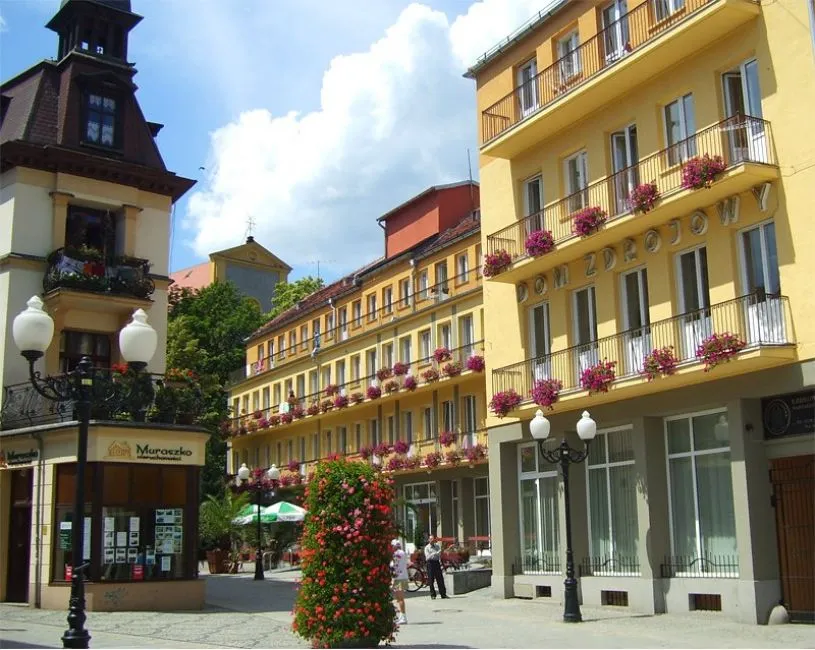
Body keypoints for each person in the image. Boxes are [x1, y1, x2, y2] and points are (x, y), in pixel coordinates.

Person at [423, 535, 448, 599]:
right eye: (431, 539)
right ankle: (433, 595)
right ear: (429, 540)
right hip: (430, 563)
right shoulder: (427, 548)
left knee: (440, 579)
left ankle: (443, 594)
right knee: (431, 580)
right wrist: (435, 553)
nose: (432, 540)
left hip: (436, 563)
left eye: (433, 539)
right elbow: (427, 557)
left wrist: (442, 551)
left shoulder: (437, 546)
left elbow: (440, 553)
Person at [391, 539, 408, 625]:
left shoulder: (396, 554)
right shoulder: (403, 553)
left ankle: (403, 617)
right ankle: (402, 616)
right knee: (399, 599)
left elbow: (394, 566)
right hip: (403, 577)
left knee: (400, 599)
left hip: (398, 578)